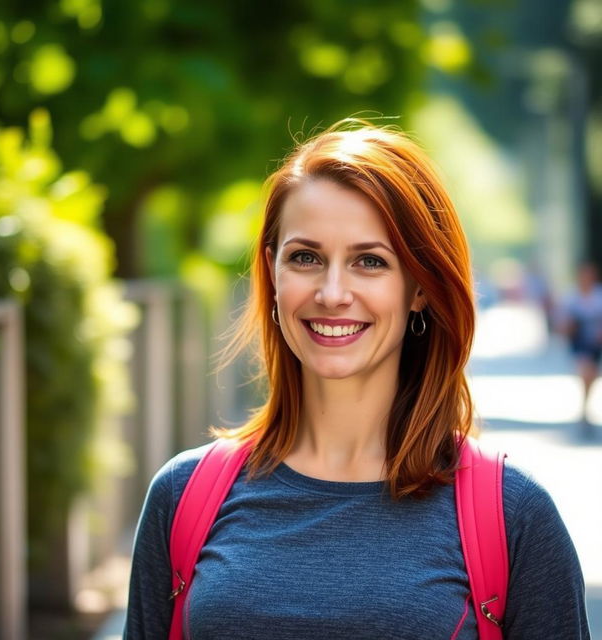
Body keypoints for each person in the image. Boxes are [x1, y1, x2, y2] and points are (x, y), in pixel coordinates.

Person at [123, 120, 590, 639]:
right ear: (273, 271)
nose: (332, 292)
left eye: (370, 261)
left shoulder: (513, 515)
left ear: (419, 288)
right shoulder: (183, 496)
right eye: (306, 258)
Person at [557, 261, 602, 433]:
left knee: (590, 377)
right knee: (586, 373)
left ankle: (585, 408)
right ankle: (585, 411)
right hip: (580, 343)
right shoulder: (571, 298)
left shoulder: (598, 297)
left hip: (595, 344)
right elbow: (561, 325)